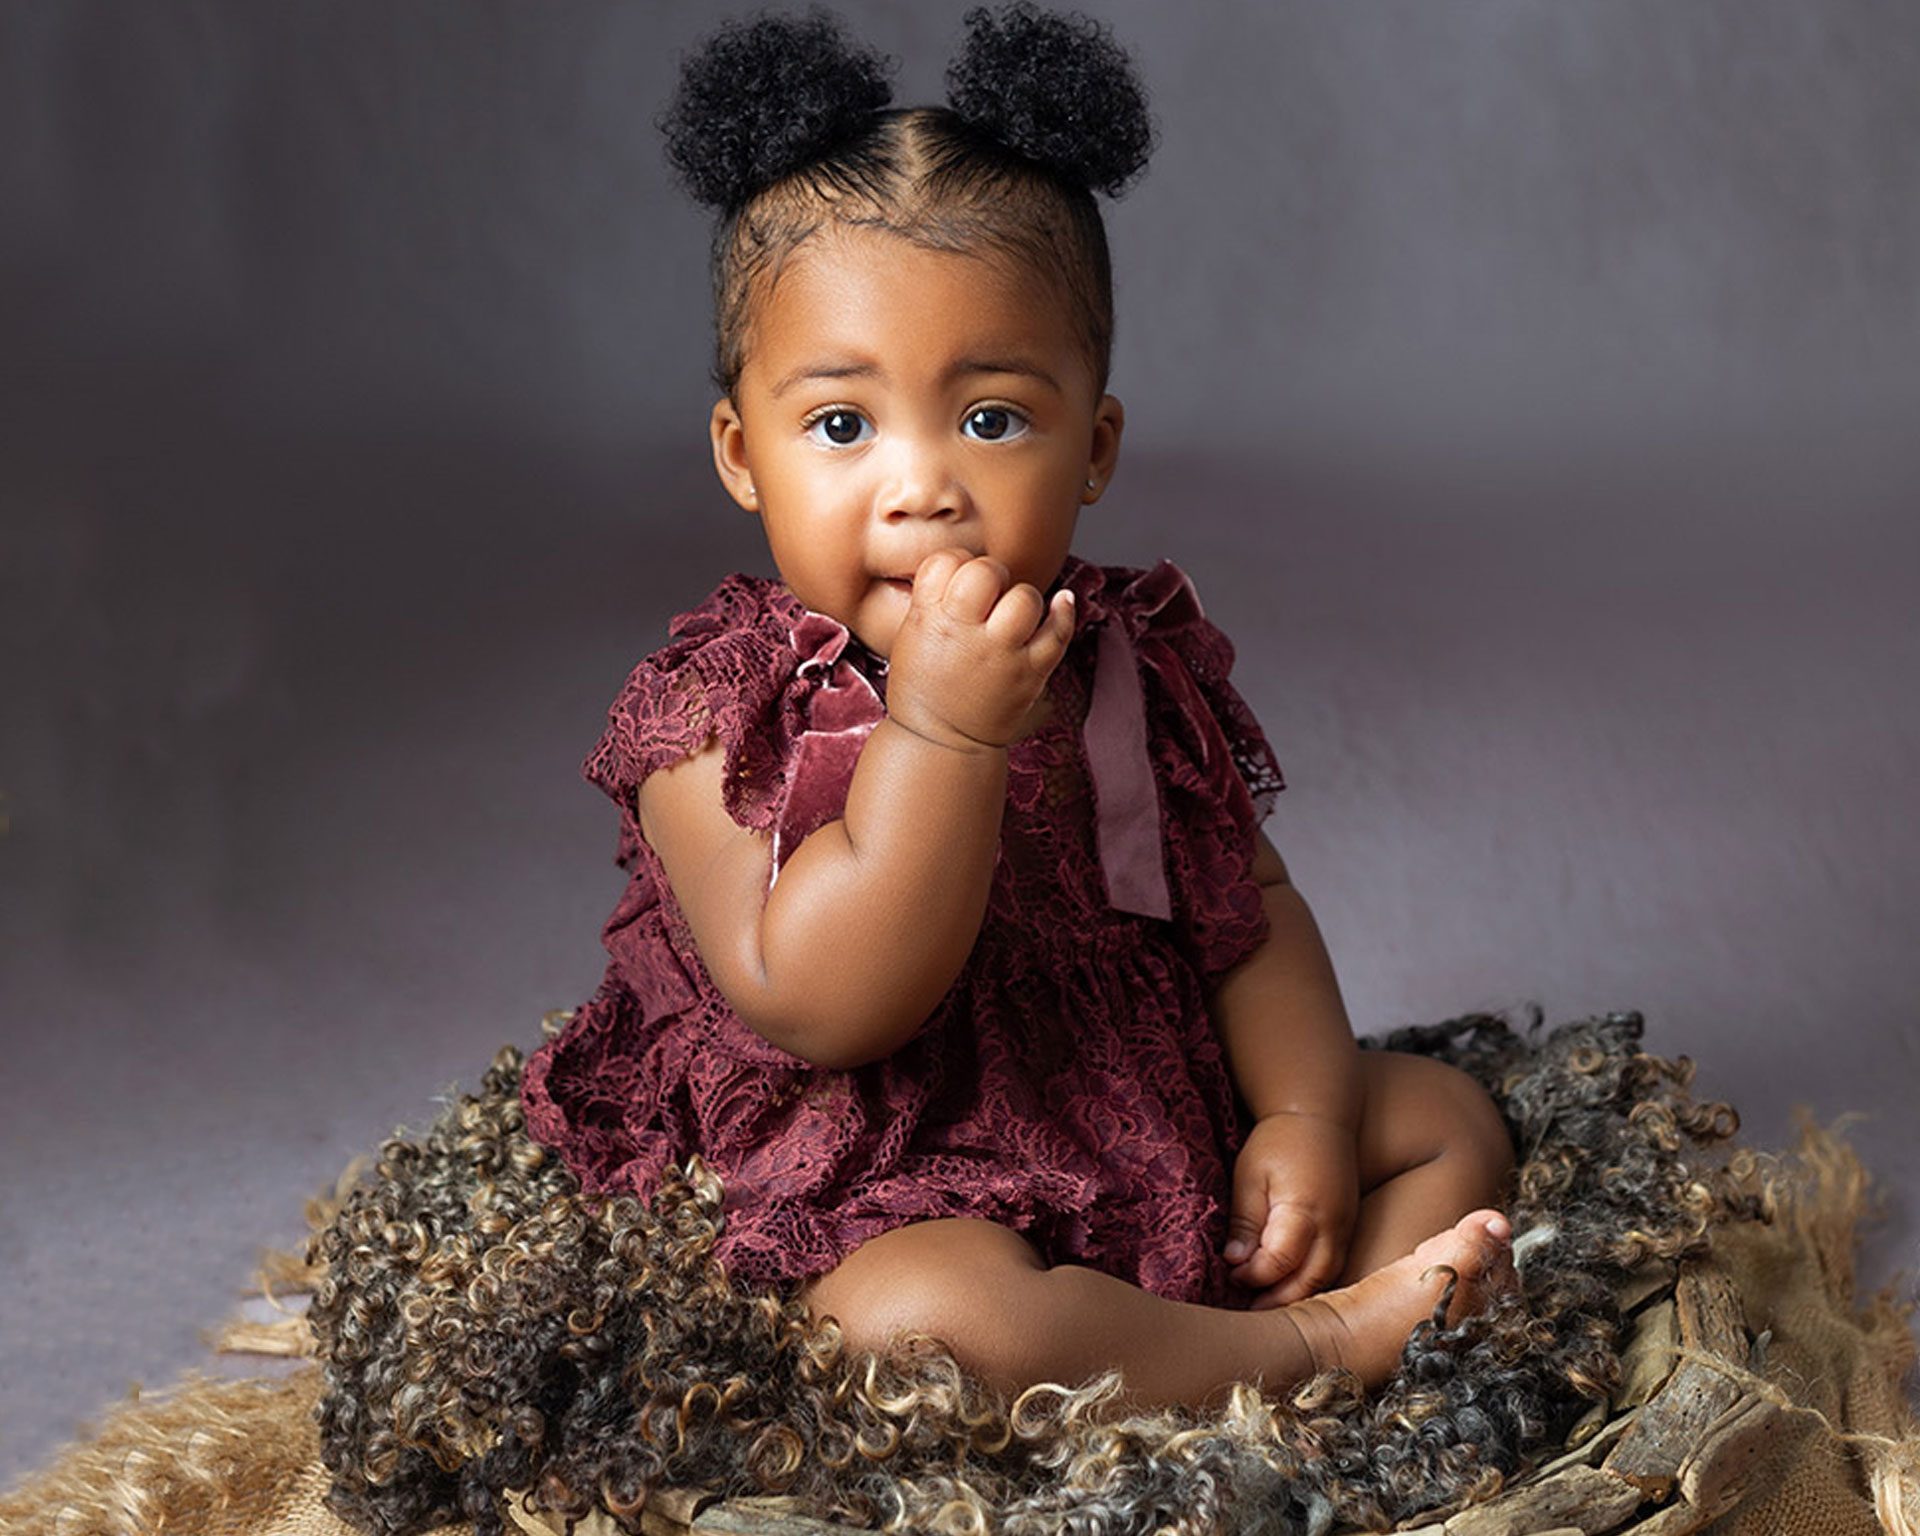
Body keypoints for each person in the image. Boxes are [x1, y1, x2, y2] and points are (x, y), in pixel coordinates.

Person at [521, 4, 1515, 1410]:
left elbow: (1250, 907)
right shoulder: (715, 717)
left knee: (1438, 1120)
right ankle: (1304, 1352)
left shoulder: (1121, 657)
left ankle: (1283, 1321)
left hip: (1120, 1090)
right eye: (842, 425)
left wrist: (1298, 1115)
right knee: (916, 1326)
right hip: (886, 1160)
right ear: (742, 454)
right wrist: (940, 734)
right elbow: (824, 1006)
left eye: (991, 418)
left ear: (1094, 445)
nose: (922, 485)